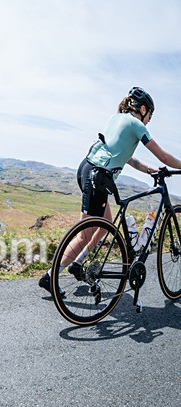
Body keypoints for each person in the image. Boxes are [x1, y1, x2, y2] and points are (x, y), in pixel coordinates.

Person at [40, 87, 181, 296]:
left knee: (105, 226)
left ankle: (77, 265)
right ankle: (50, 277)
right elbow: (164, 157)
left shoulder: (117, 119)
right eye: (150, 114)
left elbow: (126, 158)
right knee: (83, 234)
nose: (150, 119)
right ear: (143, 109)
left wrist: (148, 169)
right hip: (98, 177)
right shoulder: (136, 124)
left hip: (89, 170)